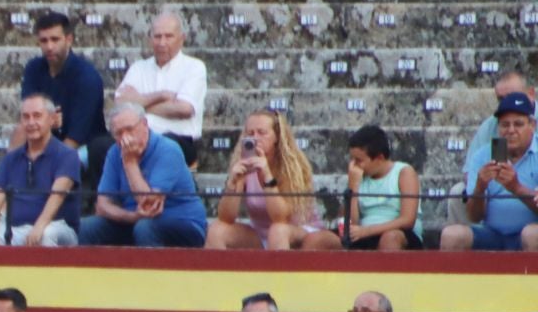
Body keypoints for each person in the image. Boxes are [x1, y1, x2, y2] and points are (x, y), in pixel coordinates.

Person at [0, 94, 81, 246]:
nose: (31, 122)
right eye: (26, 117)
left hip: (56, 227)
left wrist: (39, 226)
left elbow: (57, 197)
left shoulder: (67, 155)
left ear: (52, 119)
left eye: (37, 116)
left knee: (46, 234)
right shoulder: (11, 159)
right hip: (13, 229)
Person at [79, 102, 208, 247]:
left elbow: (148, 204)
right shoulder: (114, 153)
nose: (125, 138)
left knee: (145, 227)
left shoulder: (168, 150)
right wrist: (131, 217)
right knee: (86, 228)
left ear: (144, 125)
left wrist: (130, 163)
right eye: (119, 133)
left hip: (182, 222)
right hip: (135, 220)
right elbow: (102, 206)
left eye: (130, 129)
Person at [205, 109, 334, 251]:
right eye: (250, 133)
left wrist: (267, 175)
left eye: (262, 133)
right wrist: (233, 183)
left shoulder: (291, 166)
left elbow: (280, 218)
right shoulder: (245, 162)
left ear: (277, 137)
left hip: (298, 231)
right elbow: (226, 218)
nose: (255, 138)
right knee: (216, 230)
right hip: (260, 234)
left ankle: (280, 266)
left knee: (277, 231)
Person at [441, 91, 538, 252]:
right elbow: (474, 217)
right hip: (491, 233)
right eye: (505, 125)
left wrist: (517, 188)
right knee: (452, 235)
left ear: (532, 125)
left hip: (529, 231)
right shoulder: (484, 155)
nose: (511, 130)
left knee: (533, 235)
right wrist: (480, 188)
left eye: (518, 124)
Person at [18, 10, 111, 174]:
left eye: (55, 39)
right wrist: (48, 121)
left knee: (64, 161)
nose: (49, 47)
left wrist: (45, 164)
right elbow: (28, 115)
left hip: (83, 148)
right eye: (44, 41)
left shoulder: (87, 77)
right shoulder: (33, 68)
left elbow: (74, 139)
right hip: (44, 136)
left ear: (69, 40)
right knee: (20, 130)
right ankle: (9, 179)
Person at [114, 11, 207, 166]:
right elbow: (120, 102)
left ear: (182, 39)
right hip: (136, 136)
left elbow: (184, 109)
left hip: (178, 139)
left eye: (168, 36)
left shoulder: (194, 67)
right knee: (100, 146)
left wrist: (139, 103)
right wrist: (161, 96)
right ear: (150, 39)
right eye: (157, 36)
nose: (162, 43)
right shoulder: (139, 68)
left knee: (163, 146)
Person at [337, 124, 423, 251]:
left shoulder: (403, 173)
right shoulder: (356, 177)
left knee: (390, 238)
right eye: (352, 159)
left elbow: (407, 220)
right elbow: (352, 223)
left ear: (379, 158)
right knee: (322, 239)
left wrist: (367, 231)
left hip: (399, 234)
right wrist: (353, 187)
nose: (353, 165)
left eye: (359, 160)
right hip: (363, 235)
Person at [464, 70, 530, 182]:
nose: (507, 103)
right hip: (498, 186)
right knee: (457, 189)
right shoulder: (491, 125)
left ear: (530, 94)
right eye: (501, 99)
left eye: (512, 96)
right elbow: (470, 172)